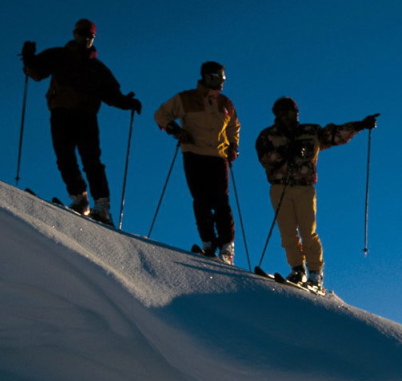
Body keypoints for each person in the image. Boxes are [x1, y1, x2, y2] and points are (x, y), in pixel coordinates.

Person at [21, 18, 142, 225]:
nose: (86, 38)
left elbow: (111, 94)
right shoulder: (63, 56)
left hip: (82, 115)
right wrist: (29, 59)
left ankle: (96, 204)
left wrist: (126, 102)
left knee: (88, 159)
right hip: (64, 113)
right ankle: (84, 200)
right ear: (75, 33)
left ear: (93, 38)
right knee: (67, 156)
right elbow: (36, 72)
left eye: (90, 35)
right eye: (83, 33)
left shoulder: (94, 67)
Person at [255, 97, 377, 288]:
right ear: (279, 114)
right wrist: (289, 153)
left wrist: (360, 125)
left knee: (307, 231)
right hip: (280, 187)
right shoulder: (267, 135)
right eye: (290, 112)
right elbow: (266, 158)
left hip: (304, 187)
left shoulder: (310, 131)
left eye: (296, 112)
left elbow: (336, 134)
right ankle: (297, 269)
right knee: (287, 232)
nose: (295, 115)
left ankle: (315, 272)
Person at [154, 62, 240, 264]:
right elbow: (160, 115)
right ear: (207, 77)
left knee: (221, 200)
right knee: (201, 200)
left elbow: (233, 126)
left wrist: (233, 146)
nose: (221, 82)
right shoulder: (186, 98)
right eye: (218, 78)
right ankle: (208, 242)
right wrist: (176, 130)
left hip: (218, 156)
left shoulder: (225, 103)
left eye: (223, 79)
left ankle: (226, 245)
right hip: (194, 153)